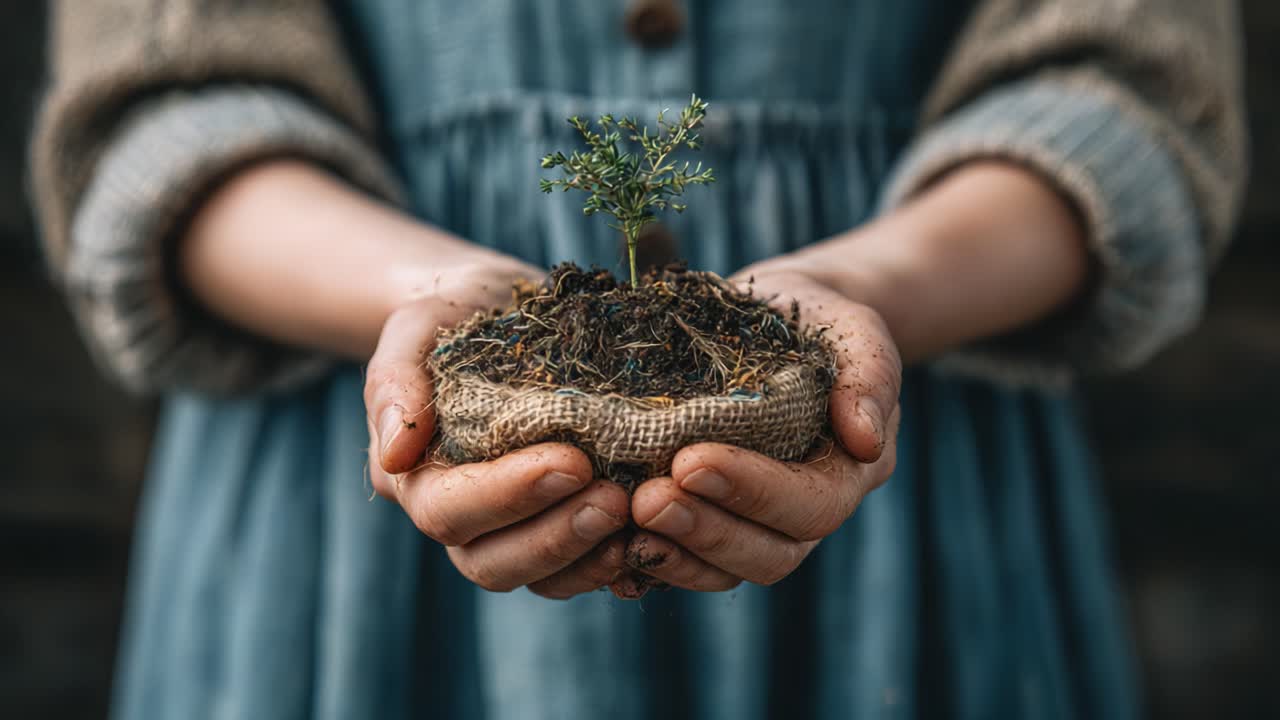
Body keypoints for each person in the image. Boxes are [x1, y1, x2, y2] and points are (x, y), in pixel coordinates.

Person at [31, 1, 1245, 718]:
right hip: (333, 543)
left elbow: (1127, 82)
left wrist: (867, 290)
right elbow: (157, 100)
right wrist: (424, 301)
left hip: (910, 514)